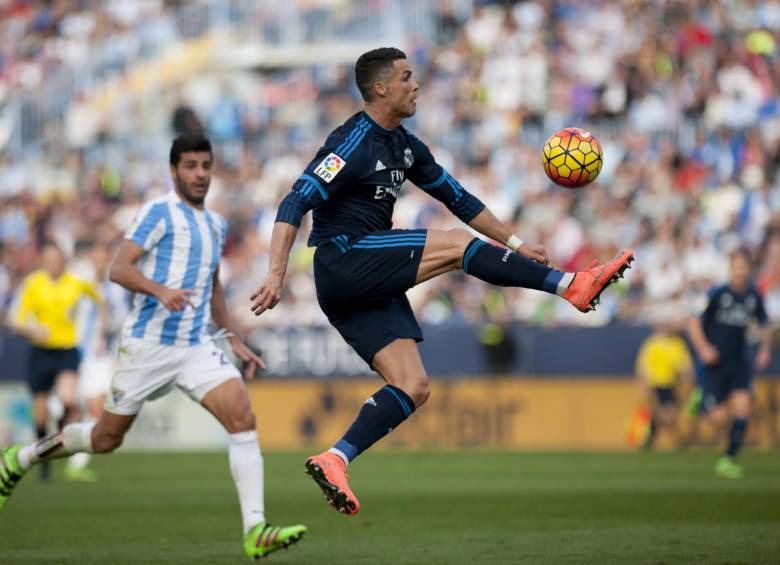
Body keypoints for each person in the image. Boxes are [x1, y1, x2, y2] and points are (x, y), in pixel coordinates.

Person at [249, 47, 634, 516]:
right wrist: (275, 272)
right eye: (407, 77)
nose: (417, 85)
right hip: (343, 258)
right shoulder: (350, 142)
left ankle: (335, 458)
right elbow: (295, 202)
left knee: (413, 385)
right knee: (453, 245)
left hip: (362, 283)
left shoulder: (406, 145)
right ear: (380, 88)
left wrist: (514, 241)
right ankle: (570, 285)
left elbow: (457, 196)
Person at [0, 136, 306, 559]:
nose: (200, 174)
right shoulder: (159, 212)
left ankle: (255, 529)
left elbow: (213, 284)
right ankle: (21, 458)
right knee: (105, 439)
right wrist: (159, 290)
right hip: (148, 346)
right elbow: (119, 268)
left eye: (205, 165)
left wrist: (233, 336)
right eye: (191, 166)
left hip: (196, 345)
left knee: (241, 414)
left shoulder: (215, 225)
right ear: (174, 171)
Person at [10, 244, 101, 481]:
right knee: (39, 415)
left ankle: (59, 440)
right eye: (50, 259)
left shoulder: (75, 282)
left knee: (69, 400)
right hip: (40, 352)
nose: (54, 264)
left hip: (66, 350)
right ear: (43, 261)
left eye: (58, 259)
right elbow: (16, 320)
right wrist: (32, 329)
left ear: (63, 261)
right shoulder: (33, 284)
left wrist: (100, 331)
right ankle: (44, 461)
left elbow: (101, 301)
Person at [687, 247, 771, 479]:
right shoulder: (717, 294)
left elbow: (764, 324)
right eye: (736, 267)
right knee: (719, 418)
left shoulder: (755, 296)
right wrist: (704, 348)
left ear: (749, 269)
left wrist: (764, 349)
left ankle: (728, 459)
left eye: (744, 267)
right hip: (715, 363)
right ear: (730, 268)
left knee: (744, 407)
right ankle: (702, 396)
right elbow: (693, 322)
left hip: (739, 361)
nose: (740, 272)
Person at [67, 242, 129, 482]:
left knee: (96, 406)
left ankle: (76, 463)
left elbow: (121, 320)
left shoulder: (115, 289)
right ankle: (64, 453)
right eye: (97, 258)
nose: (100, 263)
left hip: (101, 356)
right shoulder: (79, 286)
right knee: (71, 406)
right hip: (76, 353)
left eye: (104, 258)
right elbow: (68, 314)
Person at [634, 321, 693, 448]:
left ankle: (652, 429)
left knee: (667, 413)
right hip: (656, 383)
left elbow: (684, 365)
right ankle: (678, 440)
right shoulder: (652, 343)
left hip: (671, 384)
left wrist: (687, 377)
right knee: (669, 413)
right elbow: (643, 365)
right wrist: (643, 382)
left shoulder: (677, 344)